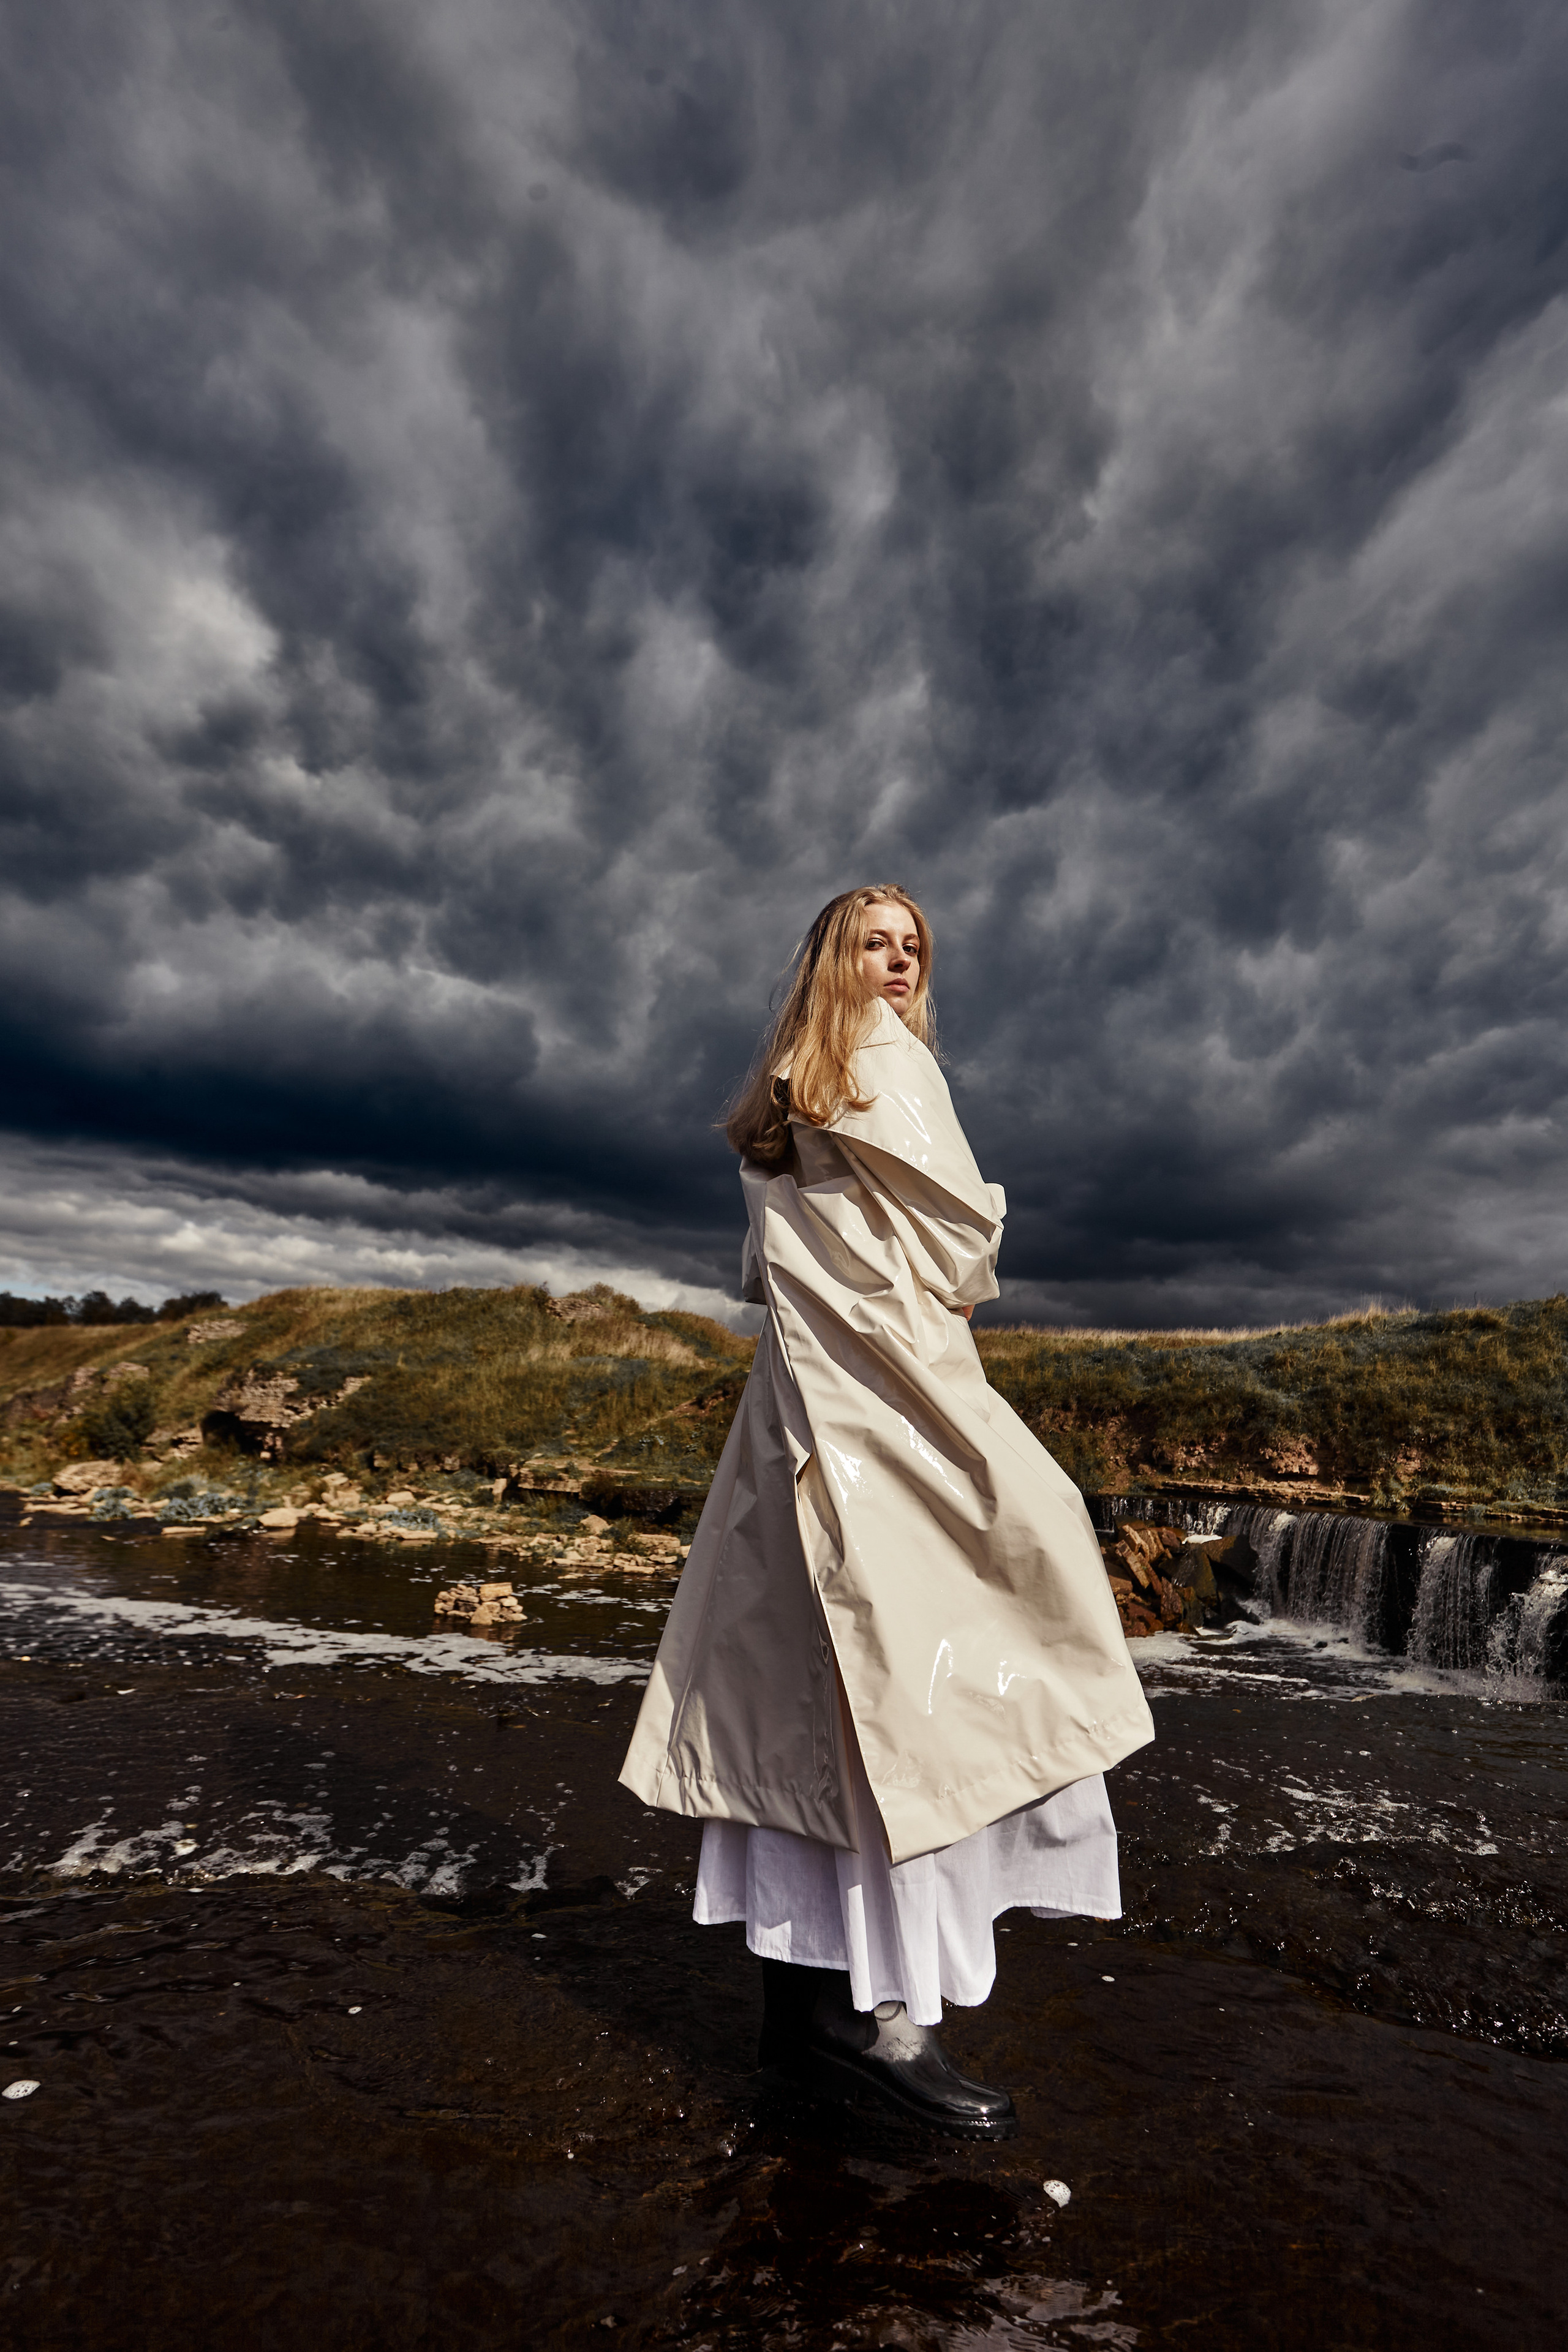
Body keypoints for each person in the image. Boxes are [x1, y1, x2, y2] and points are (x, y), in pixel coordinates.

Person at [620, 884, 1154, 2138]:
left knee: (816, 1682)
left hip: (805, 1409)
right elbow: (961, 1248)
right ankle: (872, 2016)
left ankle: (808, 2011)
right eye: (877, 941)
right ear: (835, 960)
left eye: (914, 946)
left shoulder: (789, 1098)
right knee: (924, 1673)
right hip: (877, 1401)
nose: (901, 960)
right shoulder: (881, 1062)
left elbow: (767, 1271)